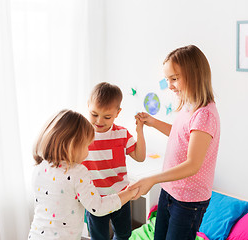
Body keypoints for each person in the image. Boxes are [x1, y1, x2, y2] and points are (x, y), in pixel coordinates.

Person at [132, 45, 220, 240]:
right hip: (170, 190)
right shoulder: (189, 105)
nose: (170, 85)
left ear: (194, 75)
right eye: (167, 79)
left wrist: (153, 179)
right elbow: (181, 136)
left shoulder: (204, 115)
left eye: (174, 79)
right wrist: (153, 122)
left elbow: (192, 164)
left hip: (188, 201)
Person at [28, 109, 138, 240]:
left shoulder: (39, 168)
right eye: (87, 146)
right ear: (73, 145)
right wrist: (129, 193)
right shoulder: (77, 172)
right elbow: (98, 207)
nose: (87, 153)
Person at [82, 82, 146, 240]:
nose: (99, 121)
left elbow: (140, 157)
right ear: (88, 106)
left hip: (121, 196)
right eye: (94, 114)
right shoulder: (81, 135)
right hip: (94, 199)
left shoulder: (122, 134)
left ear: (118, 113)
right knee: (99, 237)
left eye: (107, 117)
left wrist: (139, 131)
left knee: (124, 233)